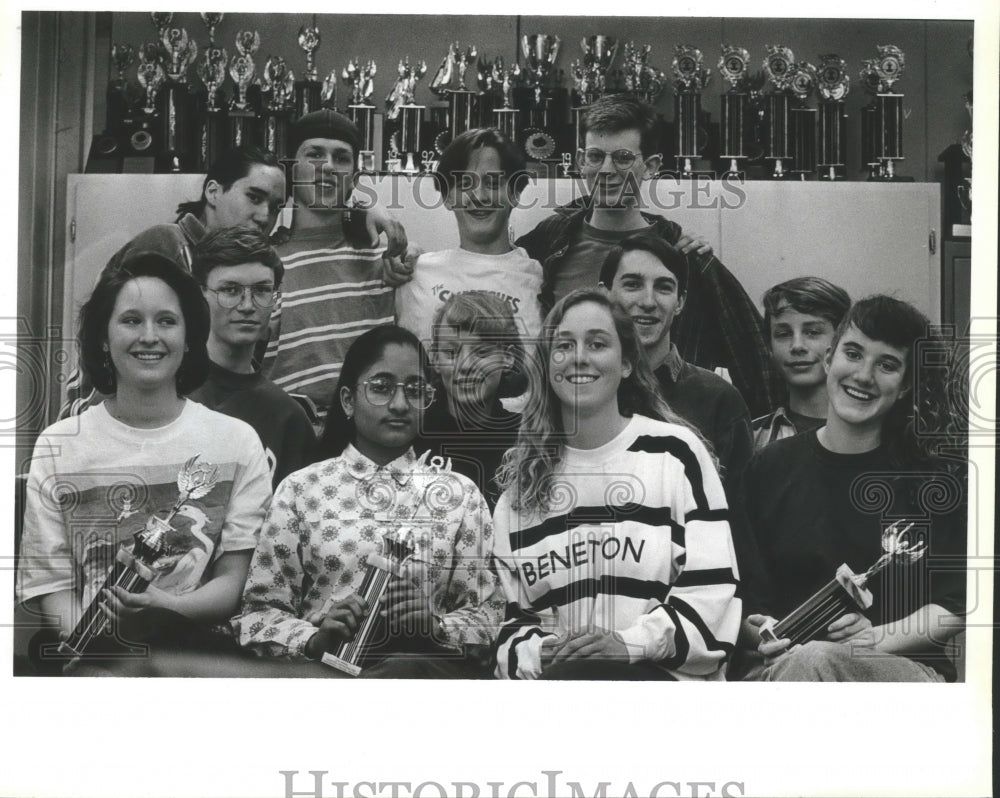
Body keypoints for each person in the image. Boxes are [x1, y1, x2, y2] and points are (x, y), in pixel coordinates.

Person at [17, 253, 272, 676]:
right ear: (102, 337)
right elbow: (54, 584)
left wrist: (167, 608)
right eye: (132, 320)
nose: (149, 336)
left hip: (199, 661)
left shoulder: (237, 441)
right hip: (93, 660)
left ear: (190, 337)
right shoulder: (59, 445)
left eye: (167, 321)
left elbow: (233, 582)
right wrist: (87, 643)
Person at [491, 287, 741, 680]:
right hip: (559, 694)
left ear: (626, 363)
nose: (578, 357)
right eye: (564, 345)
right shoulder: (519, 492)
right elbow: (506, 626)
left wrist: (628, 645)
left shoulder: (675, 455)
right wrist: (546, 652)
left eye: (597, 343)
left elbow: (713, 595)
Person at [234, 325, 504, 678]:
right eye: (381, 388)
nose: (399, 404)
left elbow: (489, 616)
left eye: (415, 391)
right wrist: (316, 637)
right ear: (347, 400)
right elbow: (258, 617)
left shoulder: (460, 495)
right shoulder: (302, 490)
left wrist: (435, 626)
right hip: (322, 684)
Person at [738, 296, 967, 682]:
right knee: (803, 664)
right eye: (854, 353)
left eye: (887, 365)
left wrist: (873, 639)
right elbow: (740, 603)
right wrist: (760, 635)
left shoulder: (931, 480)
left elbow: (957, 604)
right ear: (829, 358)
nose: (863, 375)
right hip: (783, 672)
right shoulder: (768, 468)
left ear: (907, 386)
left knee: (815, 661)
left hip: (902, 677)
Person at [513, 94, 780, 417]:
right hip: (566, 427)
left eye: (623, 158)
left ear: (651, 166)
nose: (606, 170)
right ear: (581, 160)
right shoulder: (547, 242)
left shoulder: (684, 256)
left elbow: (753, 354)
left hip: (661, 430)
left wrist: (768, 432)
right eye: (596, 157)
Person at [58, 145, 288, 418]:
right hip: (118, 415)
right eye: (254, 197)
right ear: (213, 191)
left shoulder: (257, 271)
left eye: (275, 207)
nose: (265, 216)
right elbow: (114, 343)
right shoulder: (167, 245)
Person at [261, 110, 397, 426]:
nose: (328, 166)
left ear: (355, 177)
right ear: (291, 170)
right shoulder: (263, 262)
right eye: (315, 154)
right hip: (287, 438)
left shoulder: (383, 258)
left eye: (341, 158)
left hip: (367, 437)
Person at [601, 234, 753, 486]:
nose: (648, 301)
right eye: (632, 284)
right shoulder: (586, 392)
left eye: (663, 287)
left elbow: (739, 515)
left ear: (680, 302)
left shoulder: (719, 399)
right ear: (604, 294)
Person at [188, 227, 316, 487]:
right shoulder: (167, 389)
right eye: (230, 290)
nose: (247, 306)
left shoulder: (288, 417)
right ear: (201, 294)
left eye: (261, 291)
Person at [394, 128, 544, 349]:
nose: (479, 196)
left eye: (493, 183)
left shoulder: (540, 278)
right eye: (465, 184)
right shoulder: (412, 274)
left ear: (515, 194)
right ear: (447, 197)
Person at [414, 291, 524, 510]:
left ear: (507, 358)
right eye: (451, 352)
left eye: (482, 352)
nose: (465, 365)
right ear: (435, 358)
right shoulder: (413, 429)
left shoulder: (525, 436)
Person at [752, 276, 852, 450]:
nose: (797, 346)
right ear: (769, 347)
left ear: (841, 340)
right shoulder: (751, 438)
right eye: (783, 334)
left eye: (812, 332)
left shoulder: (874, 433)